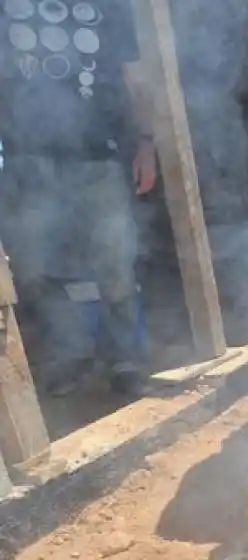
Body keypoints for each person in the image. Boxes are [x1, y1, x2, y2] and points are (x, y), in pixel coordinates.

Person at [0, 0, 156, 397]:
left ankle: (125, 360)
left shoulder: (109, 5)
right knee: (33, 268)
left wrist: (146, 143)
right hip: (24, 158)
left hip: (98, 156)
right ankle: (70, 355)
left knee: (116, 261)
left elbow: (134, 77)